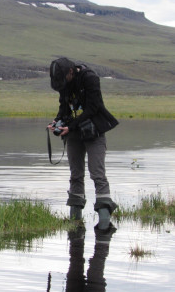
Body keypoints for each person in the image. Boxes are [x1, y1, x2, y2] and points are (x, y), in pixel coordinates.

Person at [47, 57, 119, 229]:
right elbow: (63, 107)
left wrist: (70, 127)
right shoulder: (64, 84)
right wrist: (57, 122)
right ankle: (75, 223)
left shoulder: (90, 78)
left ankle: (104, 223)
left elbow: (93, 108)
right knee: (76, 175)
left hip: (94, 133)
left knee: (97, 174)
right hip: (73, 133)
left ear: (70, 72)